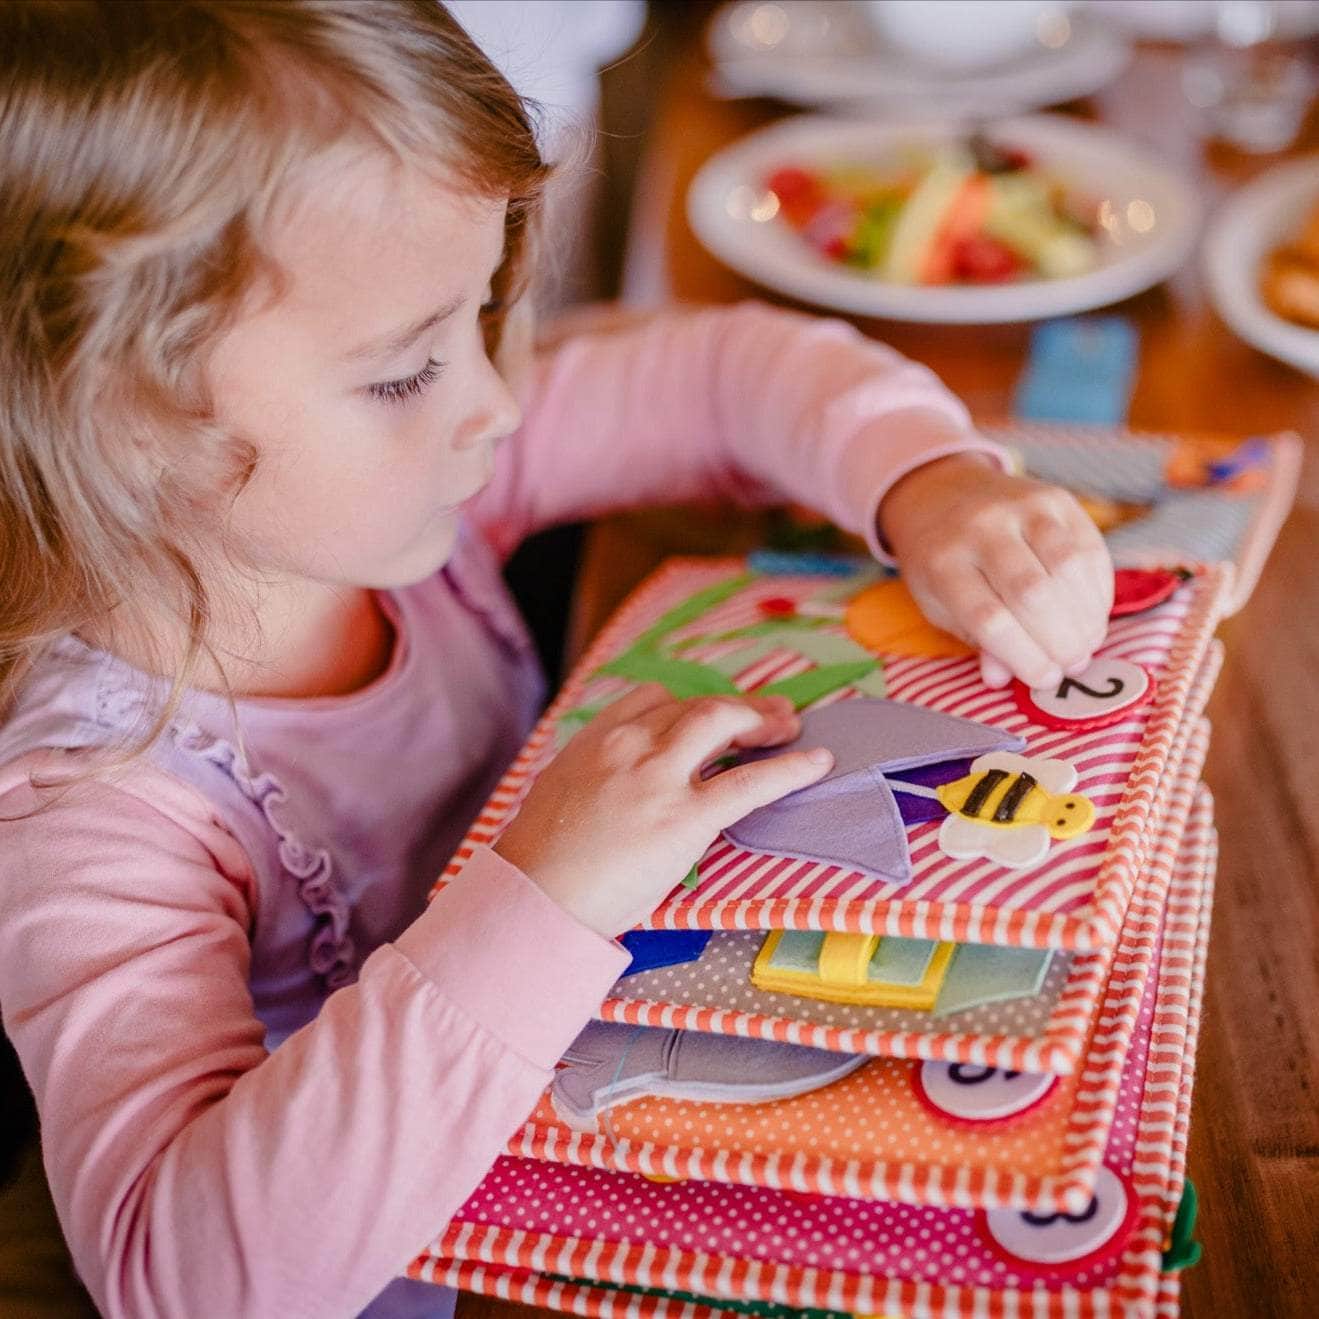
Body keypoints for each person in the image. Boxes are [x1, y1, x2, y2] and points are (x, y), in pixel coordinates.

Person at [0, 3, 1113, 1316]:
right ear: (126, 418)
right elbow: (176, 1273)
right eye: (407, 372)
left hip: (636, 1124)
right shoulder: (95, 807)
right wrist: (545, 892)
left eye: (482, 319)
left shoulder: (416, 492)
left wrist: (925, 479)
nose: (497, 402)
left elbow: (721, 374)